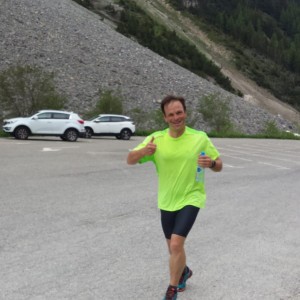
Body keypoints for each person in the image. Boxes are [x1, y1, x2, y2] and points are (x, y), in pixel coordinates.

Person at [127, 95, 223, 300]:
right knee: (172, 248)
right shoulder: (156, 139)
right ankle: (184, 271)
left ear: (185, 112)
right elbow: (130, 160)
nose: (176, 117)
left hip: (192, 197)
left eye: (179, 112)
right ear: (165, 118)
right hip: (167, 200)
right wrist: (144, 150)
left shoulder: (200, 137)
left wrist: (212, 164)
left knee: (176, 245)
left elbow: (219, 164)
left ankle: (171, 290)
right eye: (171, 114)